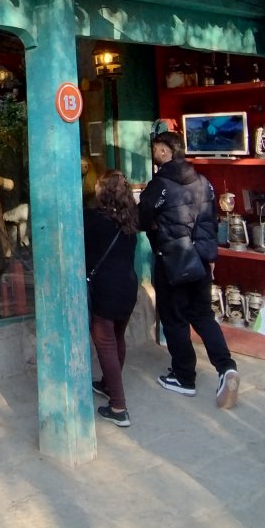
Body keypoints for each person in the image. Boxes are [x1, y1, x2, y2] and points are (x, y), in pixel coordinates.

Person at [136, 130, 239, 408]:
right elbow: (211, 222)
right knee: (203, 315)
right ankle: (226, 367)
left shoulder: (161, 184)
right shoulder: (204, 183)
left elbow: (142, 216)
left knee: (175, 319)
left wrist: (153, 223)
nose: (155, 154)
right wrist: (210, 256)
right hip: (202, 261)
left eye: (157, 149)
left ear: (166, 152)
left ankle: (184, 377)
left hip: (173, 261)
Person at [85, 168, 140, 428]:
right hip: (128, 287)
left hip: (106, 289)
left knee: (105, 342)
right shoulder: (130, 220)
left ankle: (118, 406)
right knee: (117, 337)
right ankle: (108, 384)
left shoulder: (93, 220)